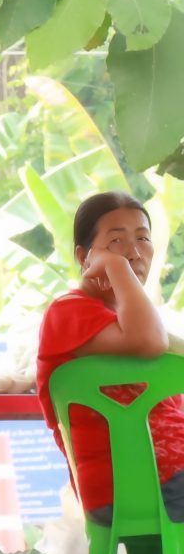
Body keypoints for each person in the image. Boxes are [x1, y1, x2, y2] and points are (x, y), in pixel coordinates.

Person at [37, 192, 184, 522]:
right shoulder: (67, 313)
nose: (134, 253)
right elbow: (149, 341)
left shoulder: (129, 321)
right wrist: (117, 269)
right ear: (84, 256)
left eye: (143, 238)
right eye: (116, 241)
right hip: (131, 486)